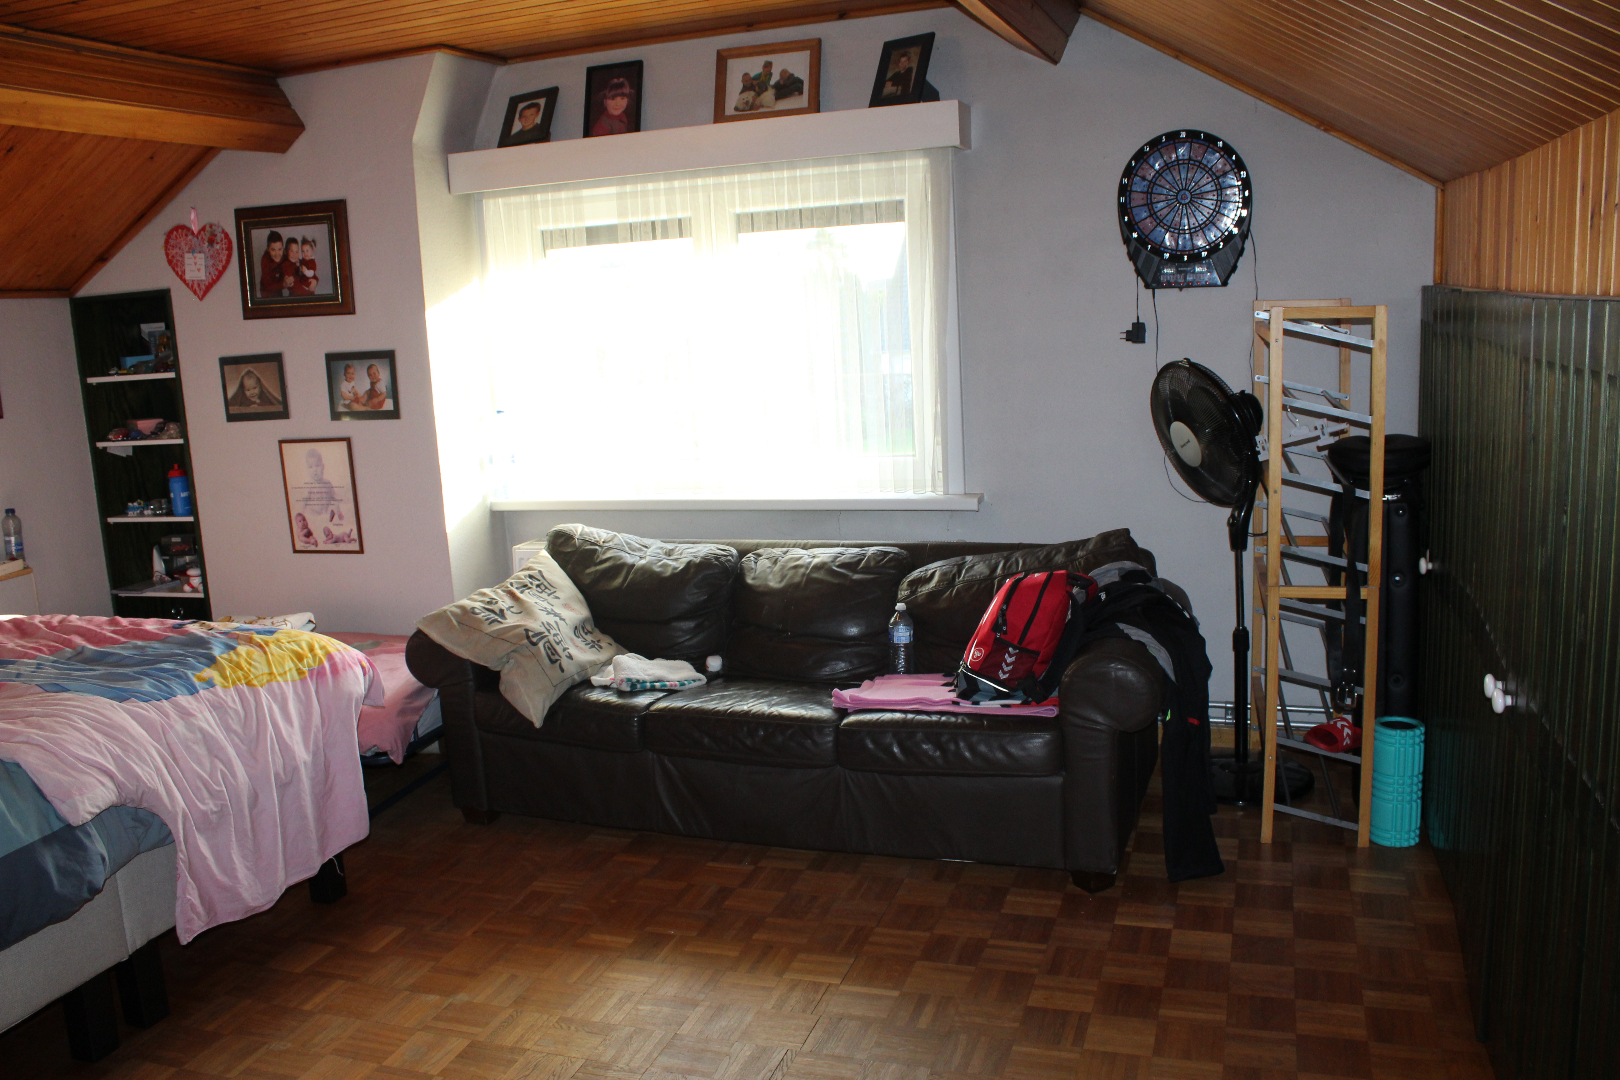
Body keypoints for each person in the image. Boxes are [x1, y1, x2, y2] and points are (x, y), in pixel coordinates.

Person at [259, 232, 292, 297]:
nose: (277, 254)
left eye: (279, 249)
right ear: (268, 249)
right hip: (266, 294)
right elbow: (266, 285)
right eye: (273, 250)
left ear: (283, 248)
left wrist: (286, 276)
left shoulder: (284, 256)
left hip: (278, 291)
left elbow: (288, 266)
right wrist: (283, 284)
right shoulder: (265, 260)